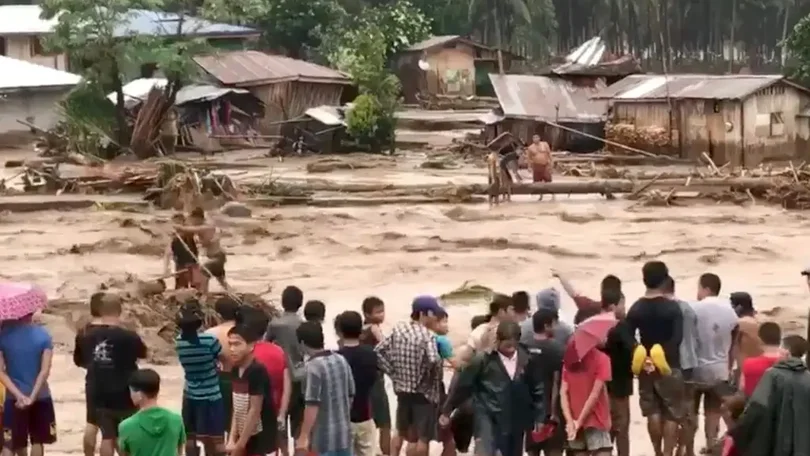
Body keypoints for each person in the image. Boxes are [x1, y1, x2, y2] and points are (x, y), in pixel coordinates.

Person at [442, 321, 534, 456]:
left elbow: (535, 388)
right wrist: (447, 411)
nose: (511, 350)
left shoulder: (526, 358)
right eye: (507, 345)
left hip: (514, 420)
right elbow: (462, 387)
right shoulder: (482, 359)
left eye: (513, 345)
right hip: (487, 417)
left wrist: (538, 415)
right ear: (498, 340)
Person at [74, 293, 147, 456]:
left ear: (99, 310)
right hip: (123, 387)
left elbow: (79, 361)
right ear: (119, 310)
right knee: (121, 431)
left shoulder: (84, 334)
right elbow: (143, 354)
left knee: (94, 426)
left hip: (95, 385)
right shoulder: (128, 335)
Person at [625, 262, 685, 456]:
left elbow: (626, 335)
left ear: (644, 280)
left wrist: (641, 354)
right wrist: (662, 356)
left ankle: (657, 452)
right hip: (670, 365)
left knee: (652, 411)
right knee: (671, 413)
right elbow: (677, 338)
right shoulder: (672, 308)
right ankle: (668, 453)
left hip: (645, 366)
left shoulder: (636, 308)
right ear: (665, 279)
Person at [375, 296, 444, 456]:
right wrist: (429, 382)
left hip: (402, 391)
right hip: (422, 394)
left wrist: (392, 372)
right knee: (422, 437)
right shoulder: (428, 336)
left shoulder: (399, 330)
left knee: (400, 431)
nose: (436, 318)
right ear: (423, 314)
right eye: (433, 314)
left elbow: (378, 351)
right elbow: (434, 361)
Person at [729, 349, 810, 456]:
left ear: (786, 353)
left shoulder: (772, 375)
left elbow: (756, 409)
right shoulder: (807, 378)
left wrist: (738, 430)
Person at [691, 273, 738, 453]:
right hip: (719, 369)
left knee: (692, 412)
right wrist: (729, 366)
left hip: (696, 369)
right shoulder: (730, 311)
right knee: (713, 413)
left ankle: (688, 448)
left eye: (699, 288)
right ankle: (711, 447)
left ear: (706, 289)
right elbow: (733, 342)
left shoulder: (695, 308)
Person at [175, 301, 227, 456]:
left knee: (191, 438)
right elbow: (223, 358)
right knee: (217, 439)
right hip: (212, 395)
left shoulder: (179, 342)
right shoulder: (209, 340)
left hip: (190, 394)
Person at [0, 313, 56, 456]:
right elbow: (44, 371)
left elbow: (1, 372)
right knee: (38, 441)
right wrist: (32, 396)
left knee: (10, 443)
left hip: (13, 398)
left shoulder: (3, 336)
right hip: (41, 396)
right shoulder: (43, 335)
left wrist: (19, 396)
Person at [238, 306, 292, 456]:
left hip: (249, 418)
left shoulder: (245, 357)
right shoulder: (278, 351)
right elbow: (287, 385)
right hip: (273, 413)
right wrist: (282, 413)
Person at [295, 321, 354, 456]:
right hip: (344, 435)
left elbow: (312, 404)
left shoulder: (312, 367)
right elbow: (350, 395)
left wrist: (303, 436)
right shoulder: (341, 360)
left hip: (323, 440)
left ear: (302, 343)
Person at [560, 321, 613, 456]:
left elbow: (563, 393)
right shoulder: (602, 359)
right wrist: (580, 421)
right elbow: (595, 395)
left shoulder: (569, 360)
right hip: (597, 419)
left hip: (574, 419)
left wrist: (570, 421)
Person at [662, 277, 700, 456]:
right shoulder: (688, 309)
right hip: (689, 364)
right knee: (687, 411)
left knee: (669, 414)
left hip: (669, 364)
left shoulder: (661, 309)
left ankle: (668, 452)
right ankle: (687, 450)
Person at [227, 324, 277, 456]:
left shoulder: (257, 370)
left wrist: (240, 445)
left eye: (237, 344)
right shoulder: (235, 369)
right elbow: (236, 406)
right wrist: (232, 438)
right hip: (244, 436)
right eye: (230, 344)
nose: (232, 349)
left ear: (251, 346)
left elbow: (255, 410)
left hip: (261, 439)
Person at [265, 285, 306, 442]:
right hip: (300, 374)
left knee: (280, 420)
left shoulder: (275, 324)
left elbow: (266, 345)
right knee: (297, 423)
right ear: (300, 304)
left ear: (282, 302)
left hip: (279, 376)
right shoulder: (302, 324)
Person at [524, 308, 566, 456]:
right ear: (547, 326)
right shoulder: (556, 349)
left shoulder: (524, 346)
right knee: (554, 450)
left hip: (530, 412)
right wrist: (554, 412)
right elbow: (556, 383)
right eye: (554, 324)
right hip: (550, 412)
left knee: (532, 451)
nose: (556, 328)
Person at [335, 311, 376, 456]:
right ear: (360, 330)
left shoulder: (336, 358)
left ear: (339, 331)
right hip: (365, 415)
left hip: (343, 418)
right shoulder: (371, 354)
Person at [117, 369, 185, 456]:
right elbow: (180, 452)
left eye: (131, 391)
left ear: (139, 395)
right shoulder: (176, 420)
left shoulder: (126, 426)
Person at [601, 289, 634, 456]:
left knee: (606, 431)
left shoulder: (596, 324)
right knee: (621, 430)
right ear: (614, 306)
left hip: (601, 386)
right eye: (622, 304)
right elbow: (632, 350)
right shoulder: (621, 326)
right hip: (620, 385)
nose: (624, 308)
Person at [74, 292, 105, 456]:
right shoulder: (118, 331)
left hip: (92, 381)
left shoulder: (83, 332)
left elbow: (78, 360)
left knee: (91, 423)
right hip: (117, 382)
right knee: (114, 429)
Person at [359, 296, 391, 456]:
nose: (381, 315)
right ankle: (386, 452)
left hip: (363, 381)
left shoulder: (360, 330)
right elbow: (385, 345)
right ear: (366, 314)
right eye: (378, 312)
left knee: (369, 419)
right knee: (385, 422)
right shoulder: (373, 328)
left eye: (382, 311)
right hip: (376, 380)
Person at [204, 296, 239, 432]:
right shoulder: (244, 332)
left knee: (217, 428)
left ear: (218, 314)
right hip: (243, 380)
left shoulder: (210, 334)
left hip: (218, 380)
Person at [175, 207, 229, 293]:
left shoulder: (205, 227)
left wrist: (176, 226)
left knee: (203, 272)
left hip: (217, 257)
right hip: (218, 256)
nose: (192, 222)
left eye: (193, 220)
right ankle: (232, 293)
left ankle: (204, 295)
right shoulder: (207, 225)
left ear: (197, 218)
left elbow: (188, 229)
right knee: (221, 281)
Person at [457, 294, 515, 366]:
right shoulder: (504, 332)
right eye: (512, 309)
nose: (514, 313)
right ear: (501, 311)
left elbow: (464, 360)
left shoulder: (478, 330)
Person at [553, 270, 621, 324]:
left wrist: (560, 276)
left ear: (601, 292)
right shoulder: (620, 318)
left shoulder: (590, 306)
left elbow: (573, 293)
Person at [739, 322, 783, 396]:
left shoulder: (749, 363)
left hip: (754, 405)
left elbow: (742, 387)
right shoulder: (790, 364)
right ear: (780, 339)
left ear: (759, 339)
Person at [730, 292, 762, 386]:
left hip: (744, 371)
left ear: (738, 307)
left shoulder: (739, 324)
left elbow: (731, 349)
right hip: (760, 369)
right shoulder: (758, 322)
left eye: (731, 306)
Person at [163, 213, 200, 290]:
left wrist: (166, 269)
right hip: (185, 266)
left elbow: (168, 253)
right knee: (188, 287)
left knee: (188, 288)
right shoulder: (176, 238)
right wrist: (166, 269)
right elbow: (168, 253)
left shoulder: (188, 235)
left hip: (189, 265)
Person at [527, 134, 553, 201]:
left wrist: (551, 163)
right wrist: (529, 167)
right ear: (532, 139)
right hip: (536, 165)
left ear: (539, 138)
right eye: (534, 138)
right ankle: (541, 195)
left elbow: (549, 154)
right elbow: (529, 158)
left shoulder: (545, 144)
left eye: (537, 137)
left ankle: (553, 194)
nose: (536, 139)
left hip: (545, 165)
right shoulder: (530, 148)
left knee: (548, 179)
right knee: (538, 182)